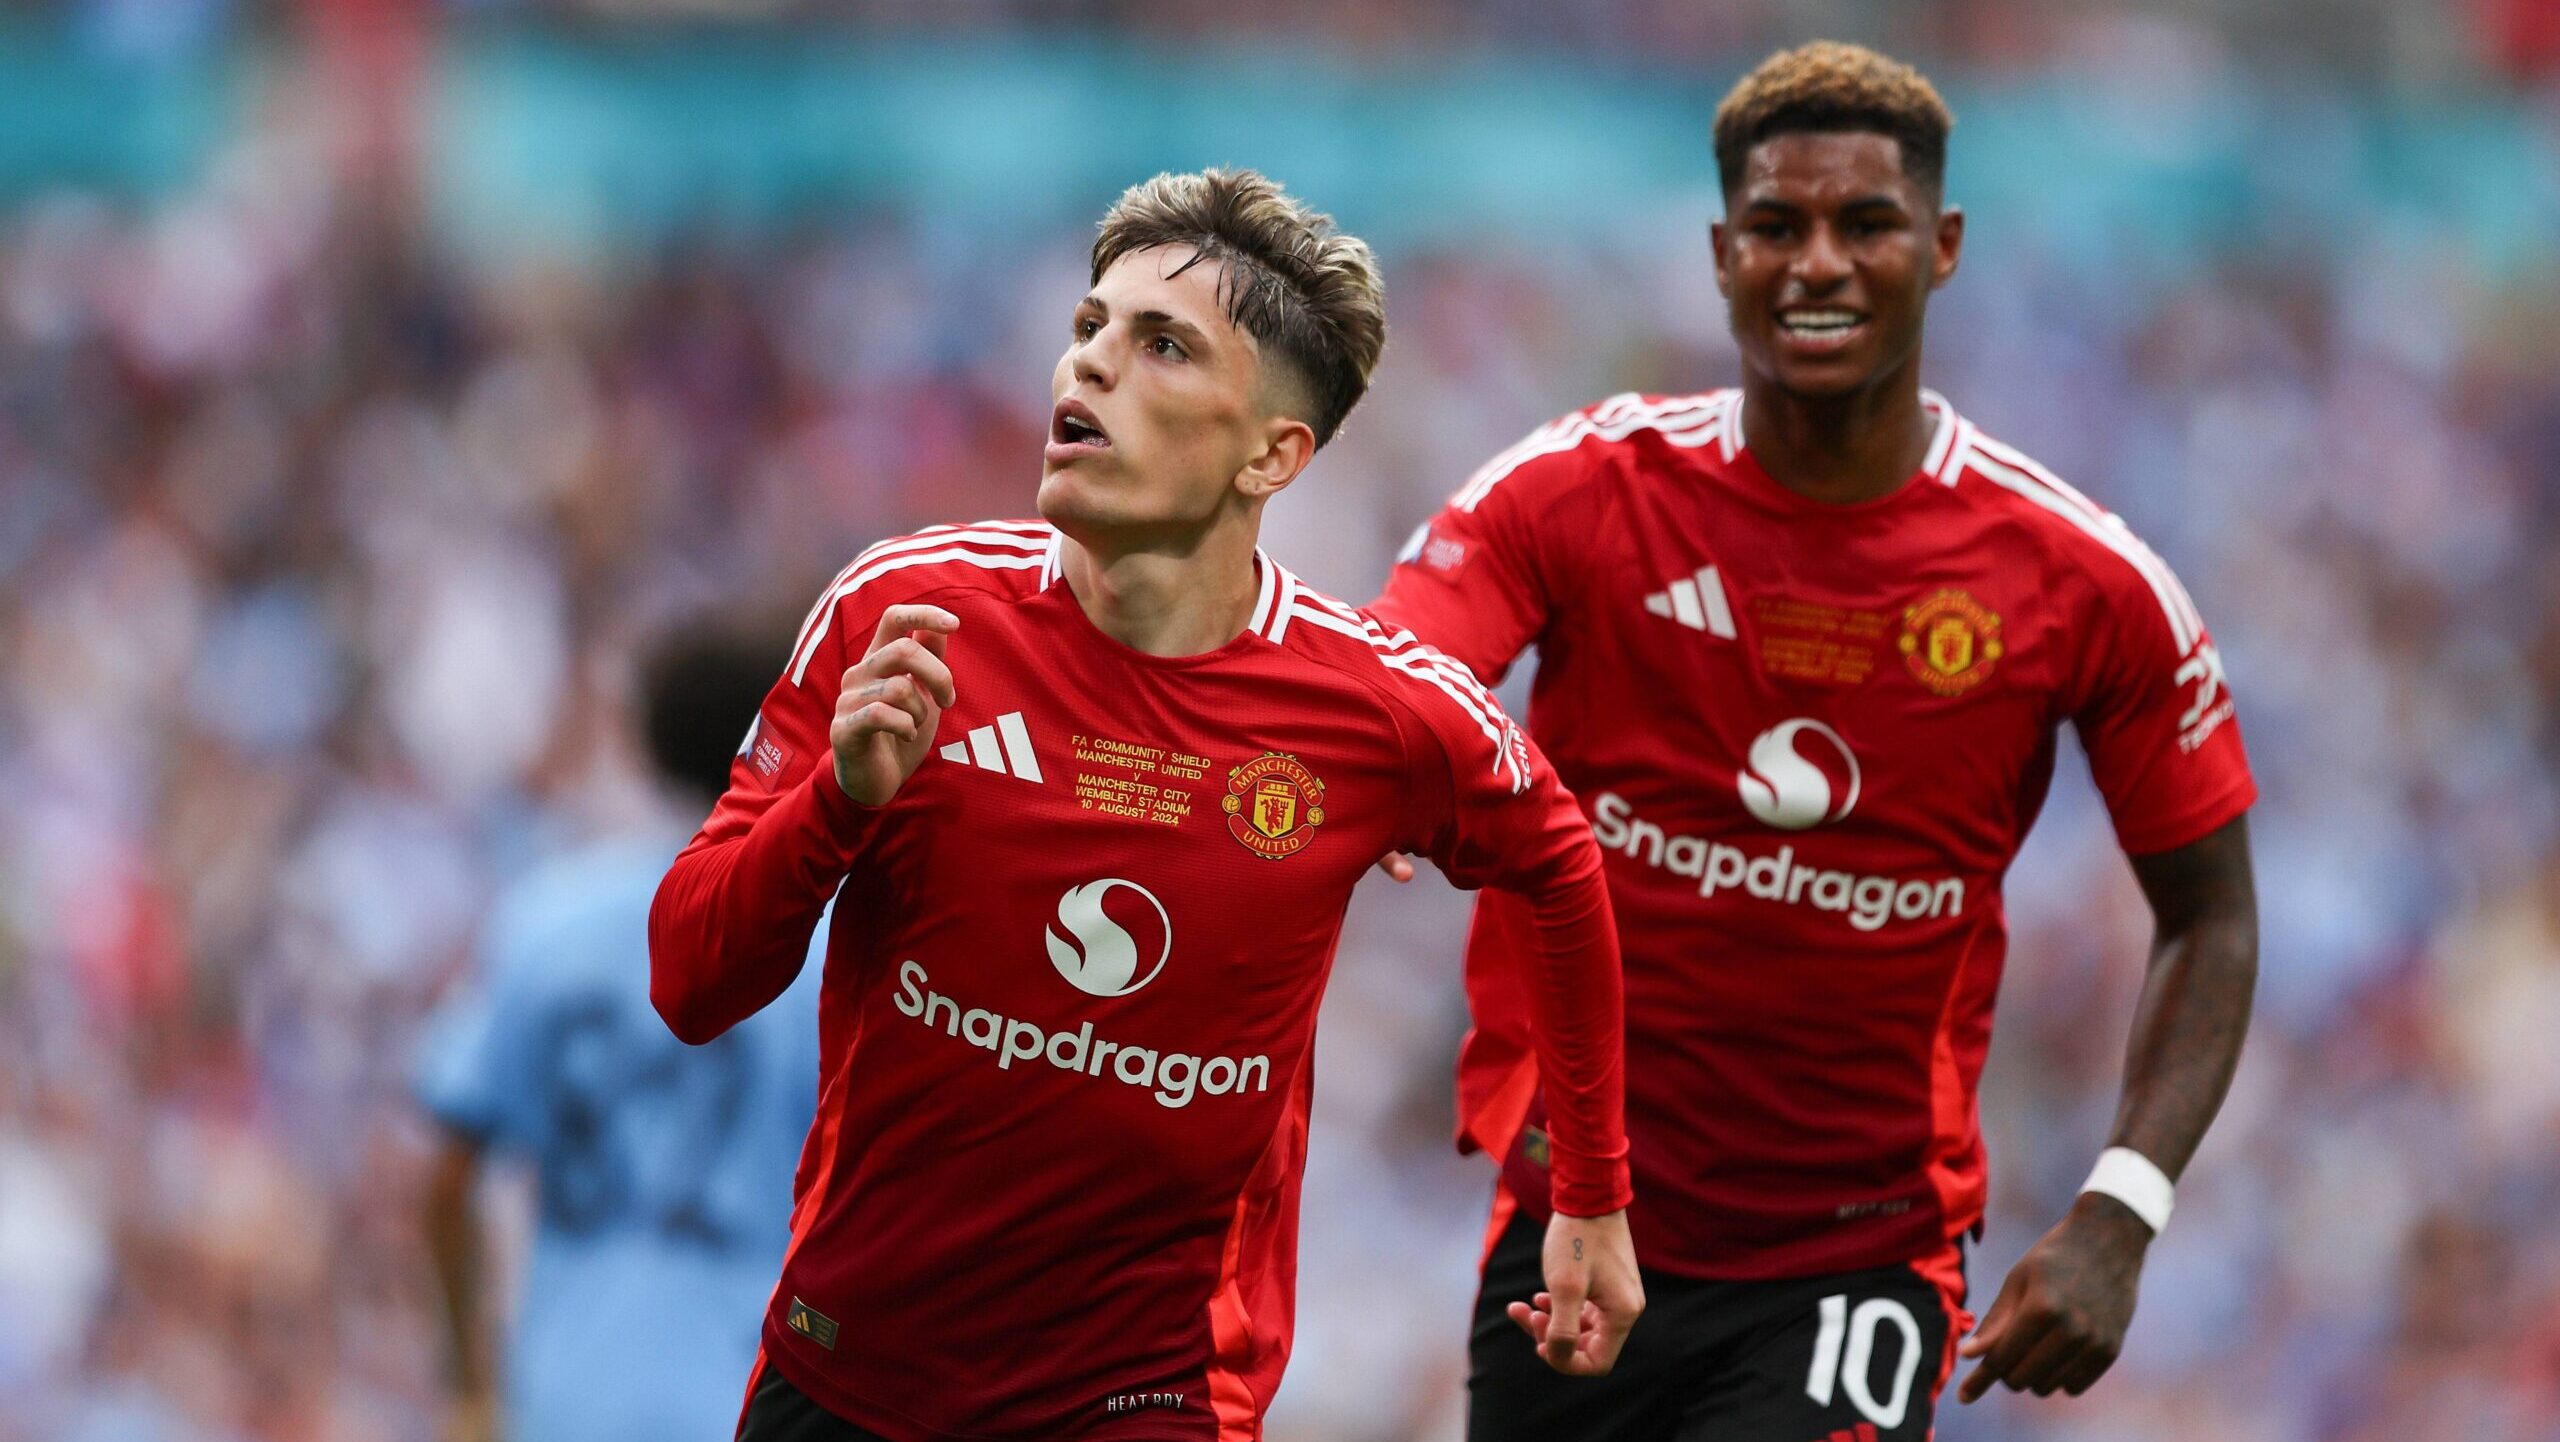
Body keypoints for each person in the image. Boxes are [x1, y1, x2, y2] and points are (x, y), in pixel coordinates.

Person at [646, 168, 1644, 1442]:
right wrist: (836, 804)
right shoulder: (905, 611)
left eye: (1160, 344)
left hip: (1151, 1395)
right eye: (1088, 329)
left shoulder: (1379, 710)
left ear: (1272, 453)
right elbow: (688, 980)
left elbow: (1558, 860)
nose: (1090, 368)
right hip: (852, 1373)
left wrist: (1590, 1191)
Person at [1370, 40, 2261, 1442]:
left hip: (1860, 1256)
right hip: (1573, 1227)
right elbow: (1393, 680)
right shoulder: (1576, 493)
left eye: (1868, 224)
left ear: (1945, 248)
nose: (1820, 264)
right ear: (1722, 255)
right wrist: (1402, 770)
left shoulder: (2081, 579)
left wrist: (2123, 1205)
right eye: (1778, 227)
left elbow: (2209, 913)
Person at [416, 619, 826, 1442]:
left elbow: (450, 1174)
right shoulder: (832, 950)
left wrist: (469, 1385)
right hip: (747, 1393)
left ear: (646, 743)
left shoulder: (552, 918)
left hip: (569, 1391)